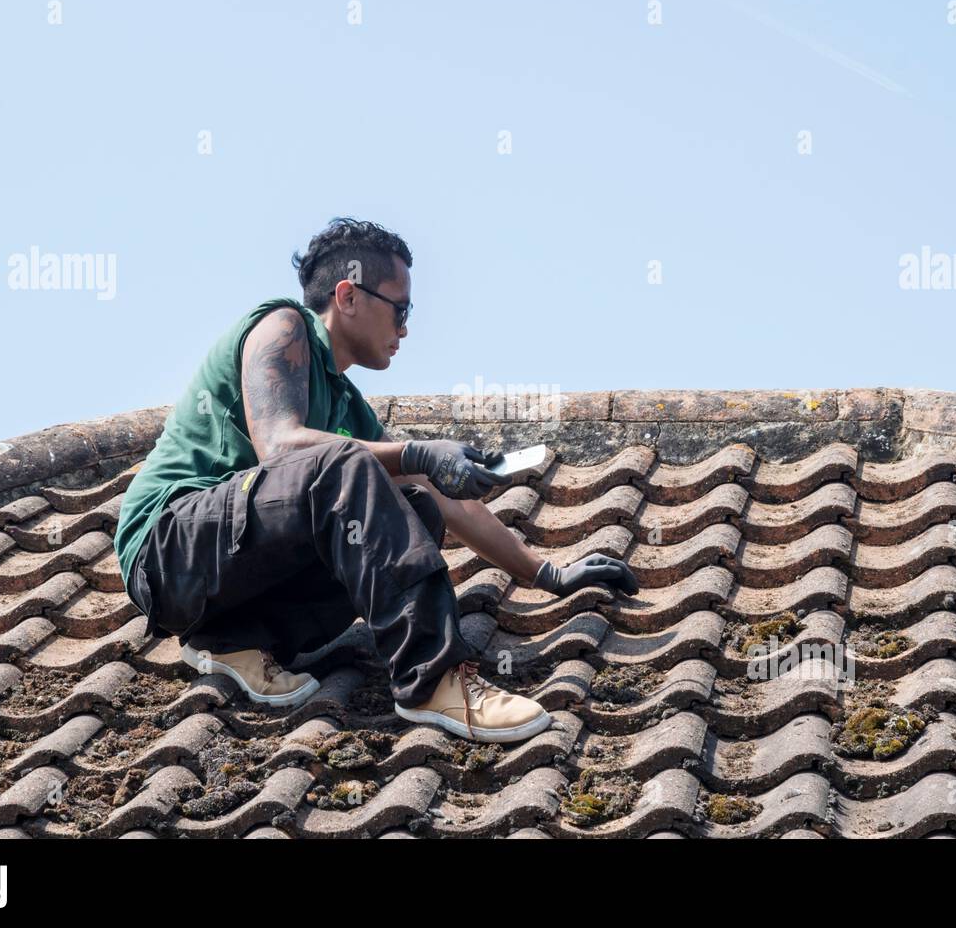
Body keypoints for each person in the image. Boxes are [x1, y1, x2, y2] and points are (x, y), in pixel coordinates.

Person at [113, 217, 639, 743]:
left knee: (415, 505)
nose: (406, 328)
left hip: (220, 582)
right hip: (165, 549)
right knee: (353, 465)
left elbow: (441, 499)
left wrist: (547, 574)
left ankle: (230, 636)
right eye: (400, 308)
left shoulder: (346, 407)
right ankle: (434, 682)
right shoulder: (283, 326)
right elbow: (278, 442)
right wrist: (416, 450)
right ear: (347, 295)